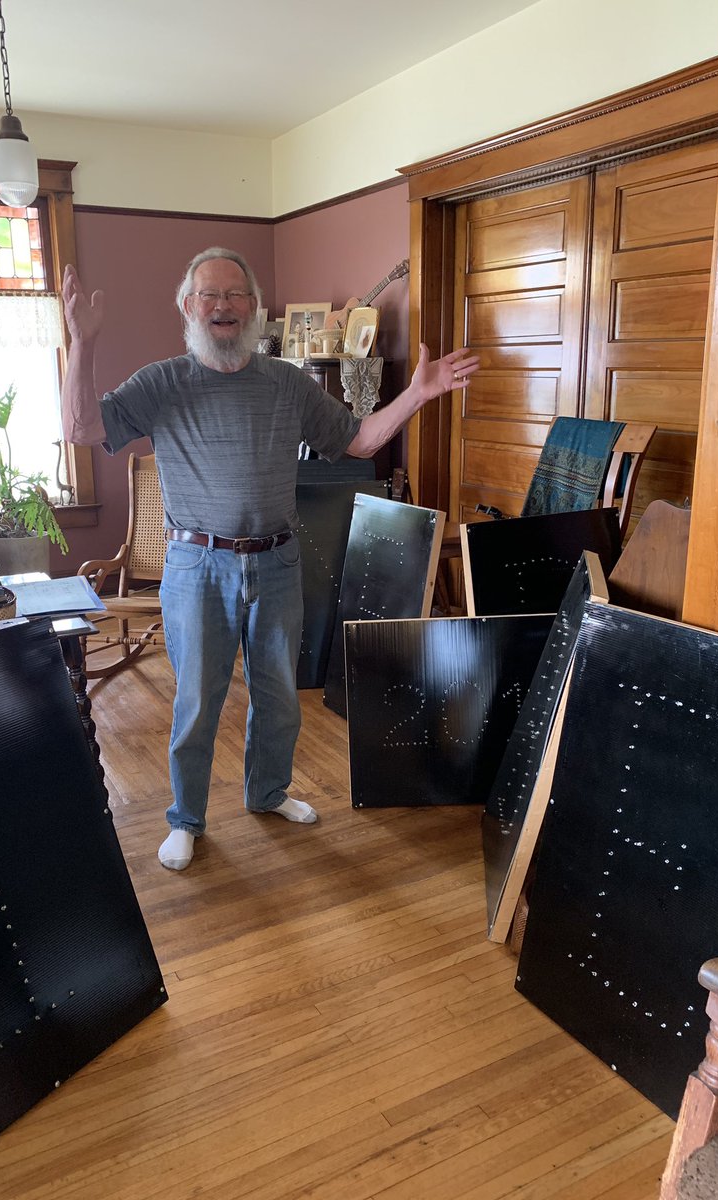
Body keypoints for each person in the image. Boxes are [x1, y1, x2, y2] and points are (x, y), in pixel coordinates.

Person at [61, 247, 479, 872]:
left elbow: (359, 440)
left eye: (236, 294)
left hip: (278, 562)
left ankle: (268, 791)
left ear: (254, 307)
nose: (223, 305)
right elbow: (81, 429)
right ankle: (186, 818)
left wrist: (418, 394)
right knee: (198, 700)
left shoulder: (286, 382)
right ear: (188, 306)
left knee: (280, 694)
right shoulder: (162, 382)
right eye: (209, 294)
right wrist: (83, 343)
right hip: (197, 568)